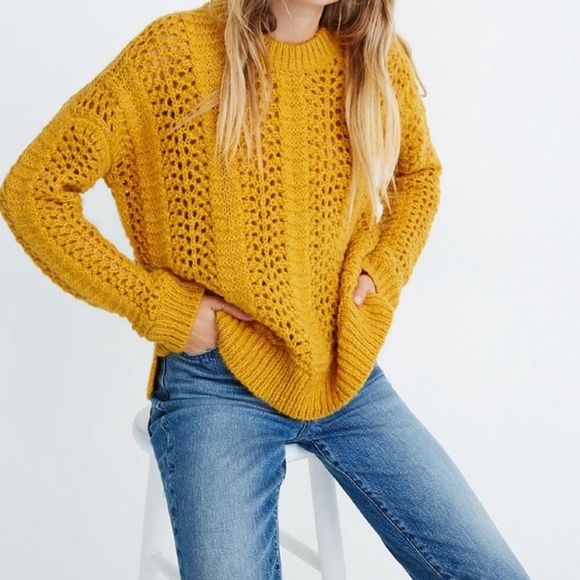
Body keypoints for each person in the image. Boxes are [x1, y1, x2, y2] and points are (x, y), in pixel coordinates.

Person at [0, 0, 529, 578]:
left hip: (346, 371)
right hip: (216, 384)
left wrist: (384, 268)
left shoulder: (370, 56)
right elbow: (33, 191)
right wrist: (160, 307)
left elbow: (419, 175)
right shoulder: (173, 53)